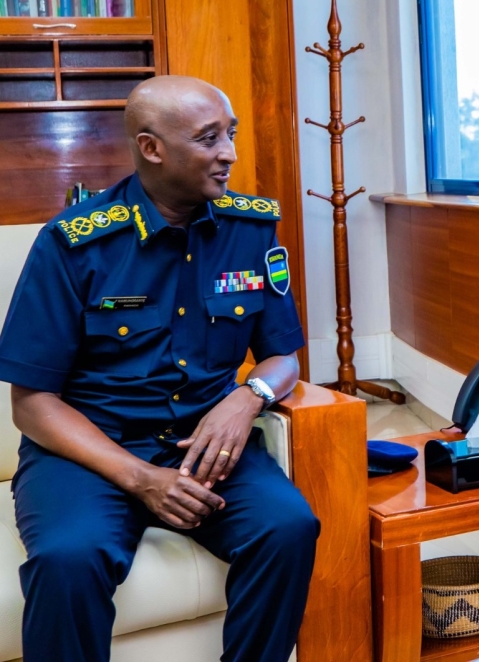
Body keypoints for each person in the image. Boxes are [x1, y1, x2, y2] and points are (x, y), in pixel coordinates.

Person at [0, 75, 318, 662]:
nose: (230, 153)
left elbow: (282, 357)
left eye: (232, 134)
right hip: (89, 452)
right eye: (209, 138)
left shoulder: (250, 230)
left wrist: (247, 396)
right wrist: (141, 479)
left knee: (288, 528)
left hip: (203, 444)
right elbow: (32, 402)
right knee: (69, 559)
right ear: (152, 148)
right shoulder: (72, 244)